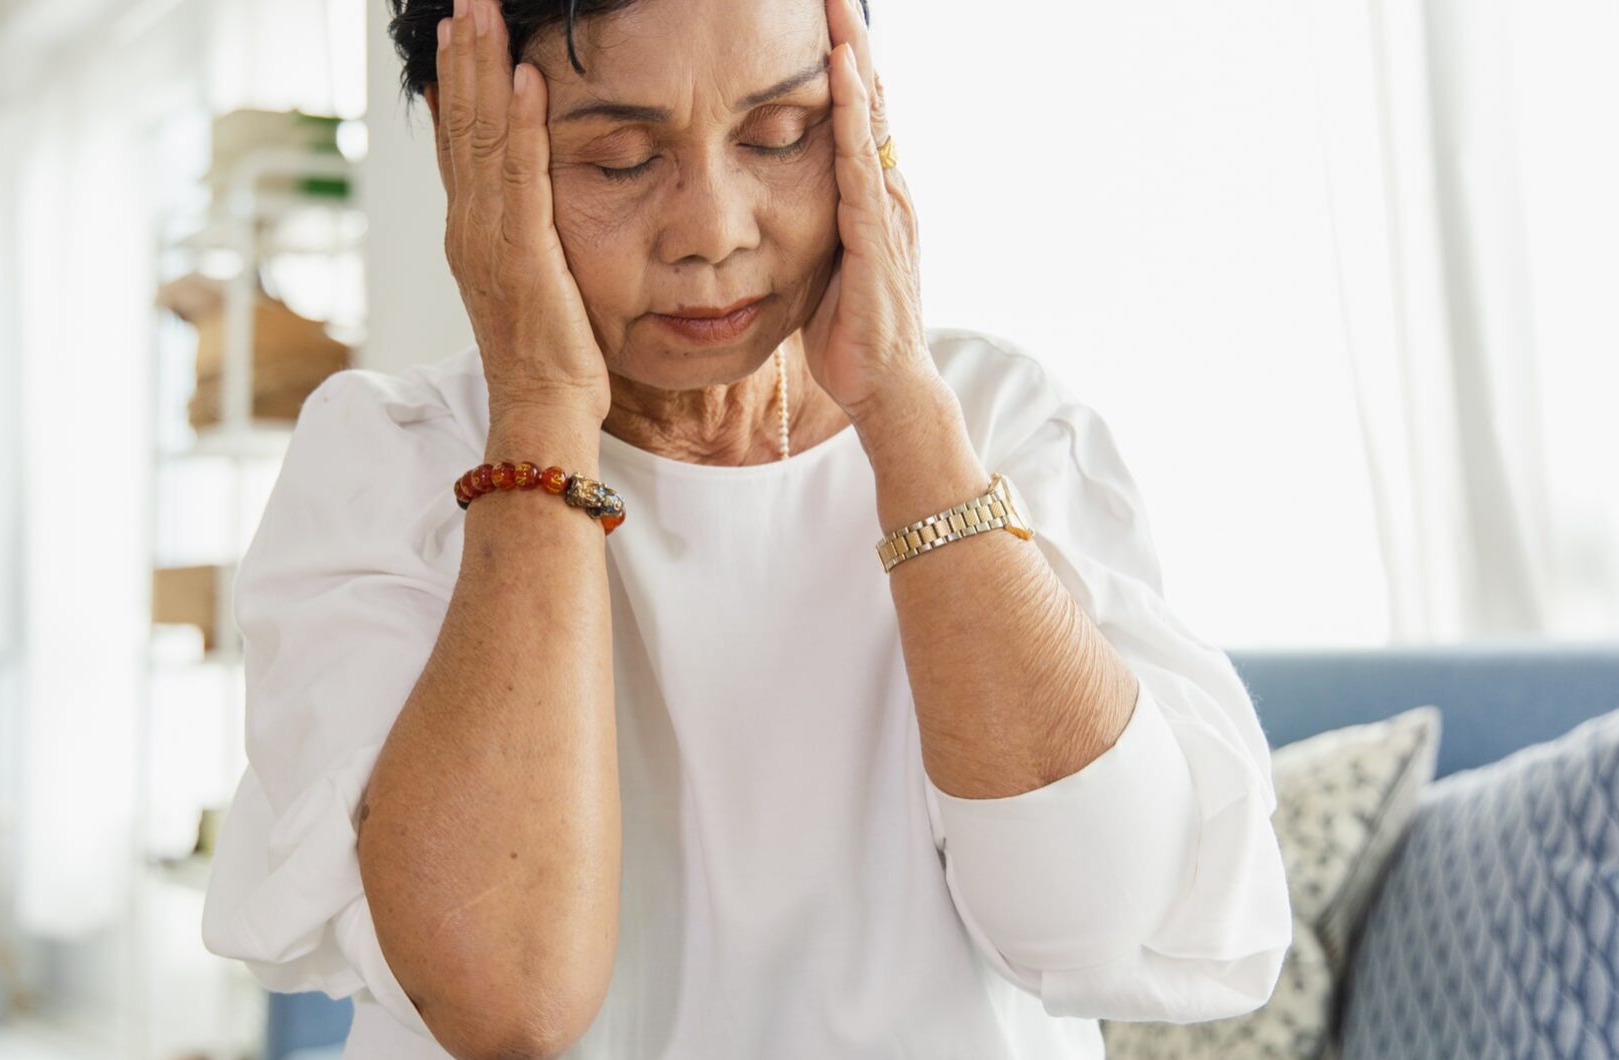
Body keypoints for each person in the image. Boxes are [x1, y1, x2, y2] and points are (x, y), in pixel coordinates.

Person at [202, 0, 1294, 1055]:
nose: (713, 232)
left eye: (780, 134)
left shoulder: (1001, 421)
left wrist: (902, 410)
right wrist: (537, 401)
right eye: (620, 159)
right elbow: (507, 1002)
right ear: (472, 144)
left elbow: (1091, 920)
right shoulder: (385, 463)